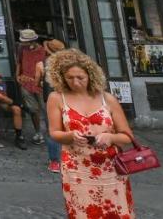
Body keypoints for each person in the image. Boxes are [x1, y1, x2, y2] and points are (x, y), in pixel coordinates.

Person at [46, 47, 136, 218]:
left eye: (80, 77)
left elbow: (127, 136)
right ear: (61, 78)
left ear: (90, 75)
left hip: (110, 167)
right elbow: (54, 132)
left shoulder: (107, 98)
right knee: (82, 212)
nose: (75, 82)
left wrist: (110, 137)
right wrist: (70, 136)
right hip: (77, 168)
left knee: (115, 211)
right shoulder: (57, 98)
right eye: (70, 78)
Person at [38, 39, 67, 173]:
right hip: (67, 99)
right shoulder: (68, 64)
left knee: (52, 131)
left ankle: (55, 161)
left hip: (50, 100)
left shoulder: (41, 64)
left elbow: (38, 82)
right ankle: (70, 158)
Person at [15, 29, 49, 145]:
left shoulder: (43, 50)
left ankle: (51, 132)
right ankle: (38, 132)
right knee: (33, 109)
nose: (22, 43)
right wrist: (17, 76)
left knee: (46, 109)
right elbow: (19, 63)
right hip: (25, 82)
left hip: (40, 84)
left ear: (32, 41)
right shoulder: (21, 49)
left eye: (25, 41)